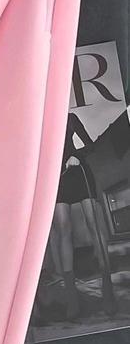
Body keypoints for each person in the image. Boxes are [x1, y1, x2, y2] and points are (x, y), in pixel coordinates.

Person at [49, 111, 116, 319]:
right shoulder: (39, 121)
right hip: (57, 176)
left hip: (78, 172)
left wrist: (76, 156)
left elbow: (90, 144)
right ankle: (72, 298)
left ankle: (108, 289)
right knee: (63, 228)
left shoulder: (70, 118)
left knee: (93, 223)